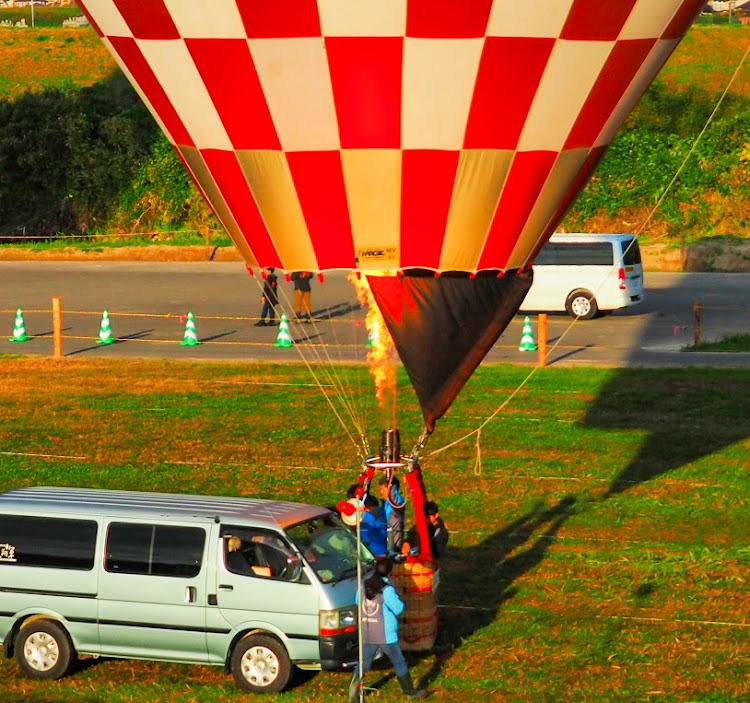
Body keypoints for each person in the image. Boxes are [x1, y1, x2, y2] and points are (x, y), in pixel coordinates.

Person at [348, 557, 426, 702]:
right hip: (386, 634)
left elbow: (357, 601)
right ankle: (410, 692)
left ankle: (354, 692)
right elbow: (398, 608)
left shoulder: (364, 584)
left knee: (364, 663)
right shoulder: (387, 589)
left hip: (367, 630)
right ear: (389, 572)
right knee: (399, 661)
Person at [378, 476, 406, 555]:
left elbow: (394, 500)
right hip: (386, 541)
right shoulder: (385, 504)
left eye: (382, 489)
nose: (381, 492)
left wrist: (390, 474)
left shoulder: (397, 502)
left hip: (394, 544)